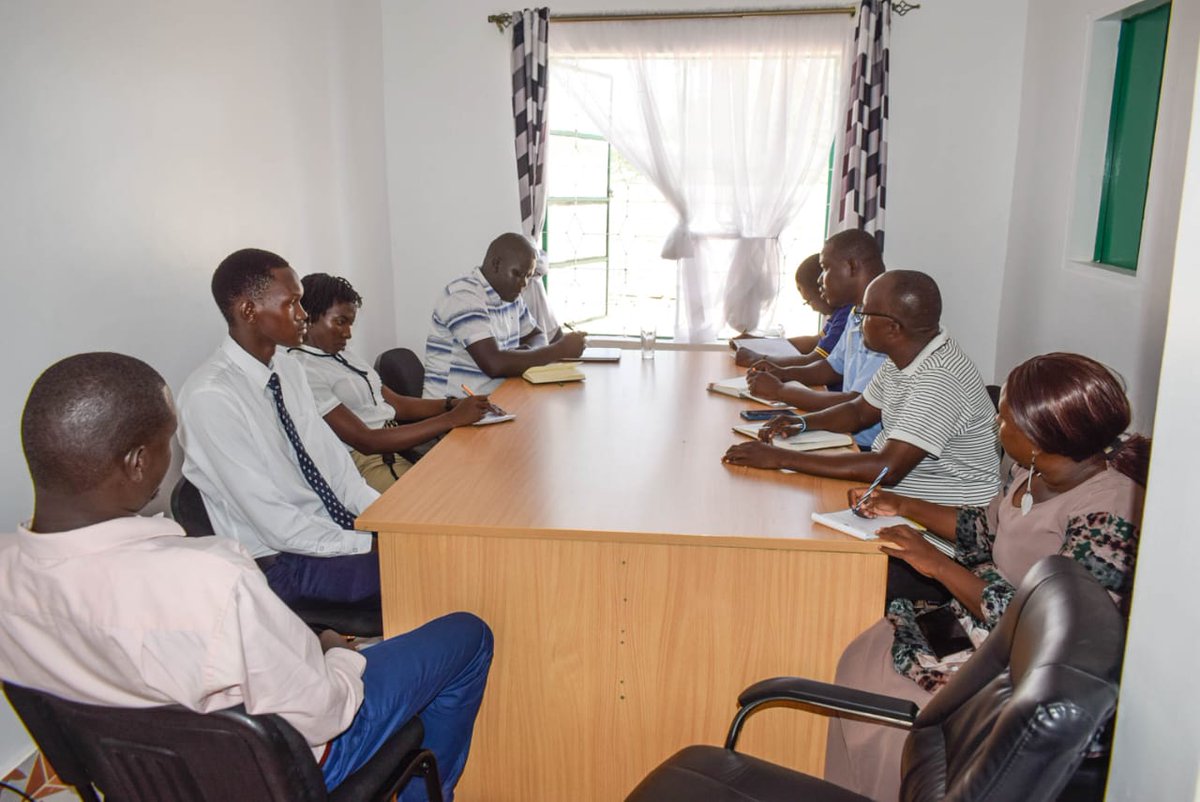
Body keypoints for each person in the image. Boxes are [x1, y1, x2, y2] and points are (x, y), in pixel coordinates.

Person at [0, 352, 494, 799]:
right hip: (278, 772)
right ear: (137, 463)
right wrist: (341, 659)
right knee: (467, 635)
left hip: (133, 777)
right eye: (167, 443)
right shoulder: (211, 578)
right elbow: (326, 714)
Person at [822, 352, 1147, 802]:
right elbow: (983, 527)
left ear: (1037, 436)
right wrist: (903, 504)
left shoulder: (1109, 512)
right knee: (861, 656)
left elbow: (1050, 627)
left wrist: (936, 565)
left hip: (1019, 662)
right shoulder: (1031, 471)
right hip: (976, 626)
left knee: (889, 713)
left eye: (1004, 419)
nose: (997, 426)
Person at [178, 248, 381, 610]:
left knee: (431, 547)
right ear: (249, 311)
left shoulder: (288, 369)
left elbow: (336, 469)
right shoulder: (211, 397)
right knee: (426, 567)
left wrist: (388, 522)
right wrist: (369, 544)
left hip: (329, 536)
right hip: (280, 564)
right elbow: (278, 526)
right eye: (293, 304)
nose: (304, 316)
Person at [723, 270, 1000, 507]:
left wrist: (781, 458)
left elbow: (886, 468)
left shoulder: (940, 379)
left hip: (943, 520)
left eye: (864, 313)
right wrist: (802, 423)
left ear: (893, 328)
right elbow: (860, 412)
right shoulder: (909, 353)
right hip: (899, 500)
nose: (857, 320)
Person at [291, 273, 494, 493]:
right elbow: (365, 440)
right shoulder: (303, 370)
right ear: (308, 317)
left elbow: (397, 404)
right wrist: (451, 419)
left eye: (350, 324)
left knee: (477, 473)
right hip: (368, 461)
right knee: (445, 501)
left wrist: (452, 404)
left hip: (396, 445)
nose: (348, 333)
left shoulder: (342, 354)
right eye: (340, 322)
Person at [739, 230, 888, 447]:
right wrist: (780, 373)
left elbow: (857, 404)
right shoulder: (857, 312)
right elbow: (831, 368)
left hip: (866, 446)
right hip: (844, 432)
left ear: (852, 267)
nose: (820, 279)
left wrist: (781, 390)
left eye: (826, 268)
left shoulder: (884, 322)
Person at [423, 233, 587, 397]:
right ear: (496, 264)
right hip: (450, 411)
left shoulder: (511, 295)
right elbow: (494, 364)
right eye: (517, 274)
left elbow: (537, 335)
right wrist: (560, 349)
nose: (523, 283)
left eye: (528, 276)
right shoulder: (463, 296)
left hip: (495, 400)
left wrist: (522, 355)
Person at [732, 254, 852, 387]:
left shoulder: (846, 315)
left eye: (808, 301)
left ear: (821, 291)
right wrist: (760, 342)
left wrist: (758, 359)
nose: (812, 308)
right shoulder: (839, 314)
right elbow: (815, 341)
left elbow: (815, 359)